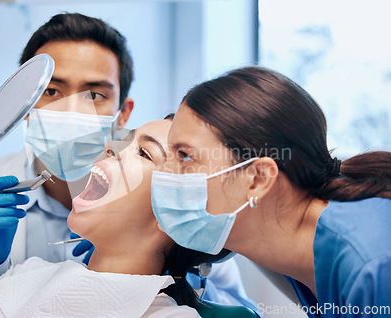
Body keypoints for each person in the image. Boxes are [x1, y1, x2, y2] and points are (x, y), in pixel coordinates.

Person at [0, 13, 255, 317]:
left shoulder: (176, 192)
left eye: (95, 95)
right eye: (52, 90)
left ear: (123, 113)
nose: (71, 110)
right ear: (25, 106)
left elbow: (235, 306)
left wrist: (172, 277)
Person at [0, 119, 234, 317]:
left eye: (143, 152)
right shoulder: (26, 277)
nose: (111, 147)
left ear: (174, 214)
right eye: (124, 141)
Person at [150, 66, 391, 318]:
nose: (163, 173)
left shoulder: (373, 264)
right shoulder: (288, 244)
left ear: (258, 179)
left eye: (185, 156)